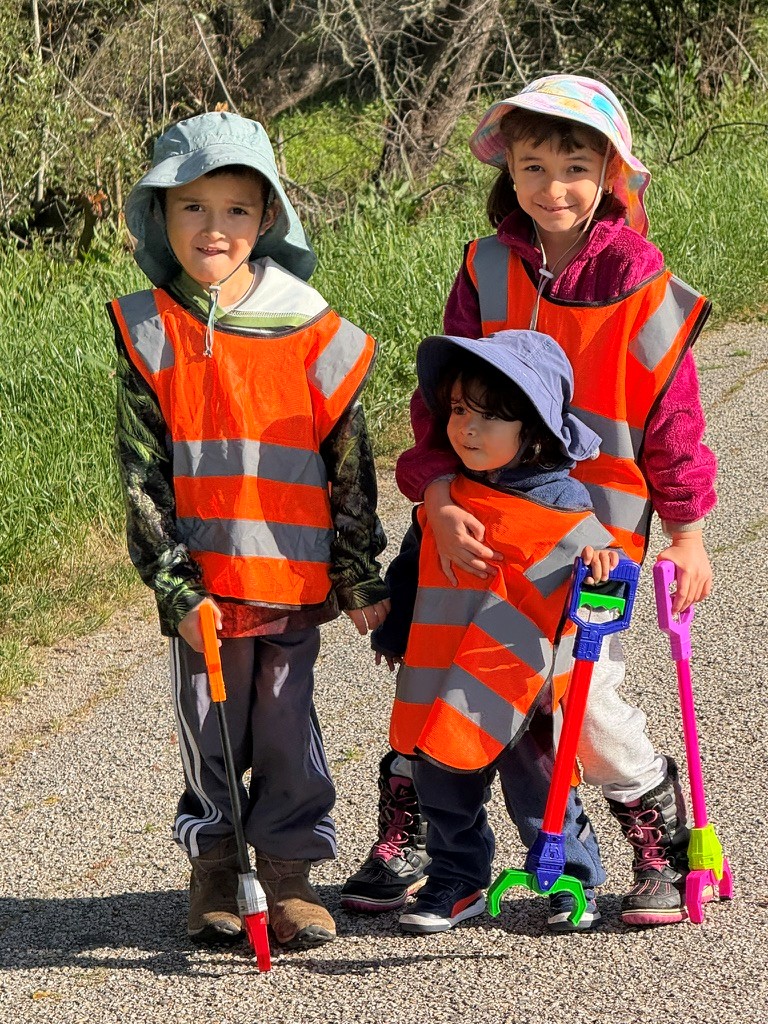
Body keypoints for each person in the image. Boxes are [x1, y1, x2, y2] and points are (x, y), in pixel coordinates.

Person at [342, 74, 717, 928]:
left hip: (592, 539)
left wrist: (688, 532)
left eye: (576, 168)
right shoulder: (486, 269)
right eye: (534, 166)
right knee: (440, 672)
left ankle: (656, 838)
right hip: (473, 523)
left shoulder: (643, 287)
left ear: (610, 176)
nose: (554, 188)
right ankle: (424, 839)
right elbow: (439, 405)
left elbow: (674, 422)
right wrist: (437, 493)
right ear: (507, 170)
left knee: (577, 697)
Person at [109, 112, 389, 951]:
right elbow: (141, 473)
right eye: (192, 207)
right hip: (204, 590)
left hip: (292, 581)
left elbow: (349, 458)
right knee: (211, 736)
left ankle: (292, 874)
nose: (214, 227)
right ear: (160, 214)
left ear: (267, 217)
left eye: (235, 209)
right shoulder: (148, 328)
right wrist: (174, 585)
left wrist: (357, 569)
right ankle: (217, 870)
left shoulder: (309, 323)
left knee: (287, 730)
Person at [381, 328, 620, 934]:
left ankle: (568, 873)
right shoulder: (446, 501)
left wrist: (603, 563)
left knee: (541, 784)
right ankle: (457, 877)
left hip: (518, 679)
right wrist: (393, 632)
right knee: (442, 782)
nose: (467, 429)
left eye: (489, 417)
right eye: (460, 411)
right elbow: (411, 566)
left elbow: (605, 576)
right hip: (442, 671)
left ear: (533, 430)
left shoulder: (564, 504)